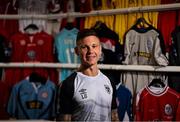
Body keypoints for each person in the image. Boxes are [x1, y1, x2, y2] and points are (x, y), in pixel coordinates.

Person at [56, 28, 119, 121]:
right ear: (77, 51)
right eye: (85, 47)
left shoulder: (109, 81)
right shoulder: (68, 84)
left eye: (94, 46)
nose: (90, 51)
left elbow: (114, 117)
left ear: (100, 49)